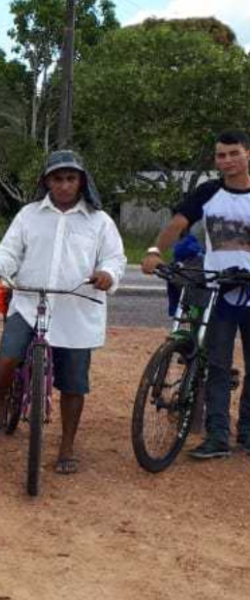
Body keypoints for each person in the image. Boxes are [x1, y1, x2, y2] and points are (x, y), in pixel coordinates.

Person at [0, 150, 125, 475]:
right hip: (29, 303)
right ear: (47, 182)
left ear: (81, 182)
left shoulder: (100, 221)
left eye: (71, 179)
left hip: (76, 310)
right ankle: (0, 405)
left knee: (74, 383)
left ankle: (67, 444)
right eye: (58, 179)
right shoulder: (29, 215)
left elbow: (115, 259)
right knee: (6, 359)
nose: (64, 185)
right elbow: (9, 250)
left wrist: (108, 275)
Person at [142, 130, 250, 458]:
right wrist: (153, 251)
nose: (227, 161)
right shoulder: (208, 192)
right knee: (216, 364)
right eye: (221, 155)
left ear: (248, 154)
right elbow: (177, 224)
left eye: (234, 153)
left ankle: (247, 432)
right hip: (217, 289)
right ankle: (217, 436)